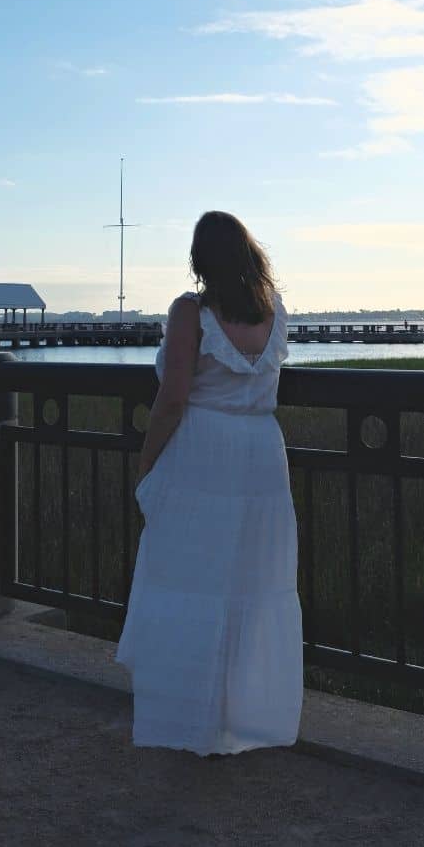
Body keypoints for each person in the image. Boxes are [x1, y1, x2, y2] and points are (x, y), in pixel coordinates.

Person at [115, 210, 303, 756]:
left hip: (202, 453)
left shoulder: (190, 312)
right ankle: (241, 718)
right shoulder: (273, 313)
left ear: (200, 259)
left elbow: (172, 398)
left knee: (188, 577)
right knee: (248, 583)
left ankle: (186, 717)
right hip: (262, 455)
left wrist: (147, 465)